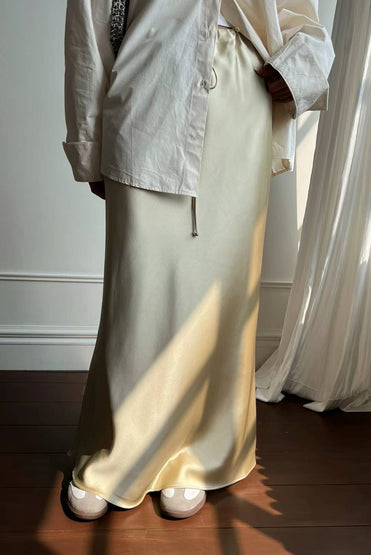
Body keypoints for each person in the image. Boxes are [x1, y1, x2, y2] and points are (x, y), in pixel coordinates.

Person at [62, 0, 334, 520]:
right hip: (147, 84)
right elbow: (89, 27)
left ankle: (202, 451)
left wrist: (297, 67)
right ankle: (115, 449)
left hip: (241, 93)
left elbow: (301, 16)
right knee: (138, 291)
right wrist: (89, 142)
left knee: (222, 286)